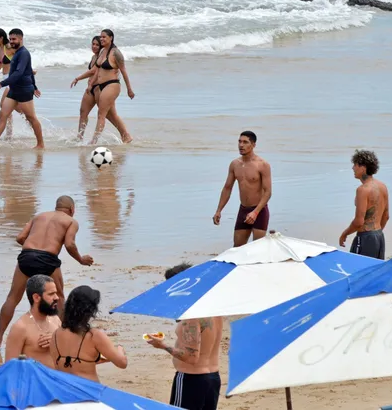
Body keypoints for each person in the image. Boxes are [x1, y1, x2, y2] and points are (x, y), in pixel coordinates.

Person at [0, 195, 94, 349]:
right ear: (72, 209)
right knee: (59, 298)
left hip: (26, 256)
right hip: (48, 259)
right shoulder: (71, 221)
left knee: (12, 297)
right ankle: (65, 336)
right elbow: (69, 244)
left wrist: (33, 248)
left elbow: (20, 238)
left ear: (56, 206)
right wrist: (80, 259)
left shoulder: (38, 216)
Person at [146, 262, 223, 410]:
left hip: (192, 379)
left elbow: (191, 357)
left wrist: (162, 345)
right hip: (213, 377)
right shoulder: (215, 310)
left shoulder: (191, 317)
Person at [0, 28, 44, 150]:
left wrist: (2, 83)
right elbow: (26, 70)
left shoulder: (23, 53)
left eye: (14, 39)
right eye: (11, 39)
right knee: (3, 114)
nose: (12, 41)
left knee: (31, 117)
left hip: (24, 90)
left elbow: (19, 73)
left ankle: (40, 144)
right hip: (13, 90)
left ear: (21, 39)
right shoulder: (15, 51)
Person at [50, 285, 128, 382]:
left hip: (63, 391)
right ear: (91, 311)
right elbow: (122, 363)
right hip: (88, 392)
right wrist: (120, 349)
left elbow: (74, 363)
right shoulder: (94, 336)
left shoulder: (56, 334)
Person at [70, 29, 134, 145]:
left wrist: (129, 89)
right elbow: (96, 70)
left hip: (112, 84)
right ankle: (126, 136)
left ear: (111, 38)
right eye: (101, 37)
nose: (102, 39)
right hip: (99, 86)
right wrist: (90, 84)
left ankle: (94, 140)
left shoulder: (116, 53)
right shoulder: (102, 52)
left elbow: (124, 71)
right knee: (110, 115)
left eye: (104, 37)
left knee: (102, 114)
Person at [213, 130, 272, 247]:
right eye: (239, 142)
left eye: (245, 142)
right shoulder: (234, 164)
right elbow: (227, 188)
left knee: (258, 249)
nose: (241, 145)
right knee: (237, 248)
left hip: (259, 211)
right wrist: (219, 210)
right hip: (243, 210)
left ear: (253, 145)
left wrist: (255, 212)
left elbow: (268, 192)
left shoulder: (262, 165)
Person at [339, 149, 389, 259]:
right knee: (375, 272)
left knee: (358, 270)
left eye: (355, 165)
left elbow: (359, 222)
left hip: (365, 238)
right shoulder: (382, 186)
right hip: (379, 236)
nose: (353, 168)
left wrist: (345, 233)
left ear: (363, 168)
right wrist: (376, 235)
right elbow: (386, 216)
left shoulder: (363, 190)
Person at [4, 275, 61, 368]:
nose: (57, 298)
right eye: (51, 294)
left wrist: (57, 341)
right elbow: (9, 368)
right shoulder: (20, 328)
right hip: (34, 381)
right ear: (36, 298)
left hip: (57, 380)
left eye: (56, 293)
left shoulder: (56, 319)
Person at [0, 27, 20, 141]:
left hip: (12, 80)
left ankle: (9, 134)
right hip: (6, 79)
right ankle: (11, 131)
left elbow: (22, 58)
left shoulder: (9, 47)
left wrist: (29, 70)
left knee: (3, 105)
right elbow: (0, 62)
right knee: (13, 107)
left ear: (1, 38)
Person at [75, 36, 102, 140]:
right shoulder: (93, 57)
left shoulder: (102, 57)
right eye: (93, 44)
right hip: (90, 89)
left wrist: (78, 78)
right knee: (83, 112)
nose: (94, 46)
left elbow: (93, 71)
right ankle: (79, 137)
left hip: (99, 88)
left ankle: (124, 134)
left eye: (97, 45)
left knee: (108, 115)